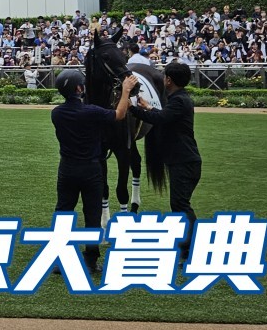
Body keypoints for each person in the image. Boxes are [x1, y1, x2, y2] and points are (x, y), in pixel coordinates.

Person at [50, 70, 138, 273]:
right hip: (91, 169)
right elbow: (119, 114)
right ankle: (90, 260)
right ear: (79, 88)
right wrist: (125, 91)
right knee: (92, 213)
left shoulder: (57, 113)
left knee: (63, 212)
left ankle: (59, 259)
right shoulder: (91, 112)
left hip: (67, 169)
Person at [129, 62, 202, 261]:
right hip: (185, 160)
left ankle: (190, 247)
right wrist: (148, 107)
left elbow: (160, 119)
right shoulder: (179, 99)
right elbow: (164, 116)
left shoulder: (178, 101)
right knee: (180, 204)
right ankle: (187, 245)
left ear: (169, 80)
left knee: (180, 205)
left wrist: (133, 109)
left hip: (183, 161)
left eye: (164, 76)